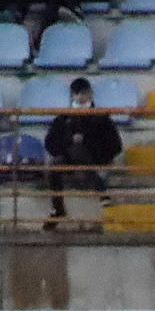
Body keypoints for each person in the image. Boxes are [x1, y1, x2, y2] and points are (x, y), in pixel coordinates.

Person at [43, 78, 122, 230]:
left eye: (84, 93)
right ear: (72, 96)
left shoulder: (101, 117)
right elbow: (50, 143)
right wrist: (69, 143)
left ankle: (59, 210)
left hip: (95, 157)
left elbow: (115, 145)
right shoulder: (63, 118)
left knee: (78, 149)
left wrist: (89, 143)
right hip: (69, 158)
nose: (80, 97)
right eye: (76, 94)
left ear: (90, 94)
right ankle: (59, 207)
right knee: (55, 166)